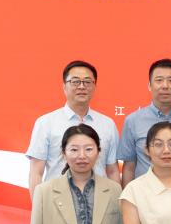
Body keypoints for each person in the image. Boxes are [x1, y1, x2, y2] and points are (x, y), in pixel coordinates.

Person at [26, 60, 120, 197]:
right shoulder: (45, 123)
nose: (82, 86)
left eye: (87, 82)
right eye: (75, 81)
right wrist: (38, 207)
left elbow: (112, 171)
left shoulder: (108, 124)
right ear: (64, 86)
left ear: (94, 86)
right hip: (57, 200)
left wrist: (117, 204)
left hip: (100, 201)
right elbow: (36, 172)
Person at [119, 58, 171, 184]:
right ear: (149, 85)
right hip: (144, 192)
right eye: (159, 80)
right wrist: (127, 194)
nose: (165, 86)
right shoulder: (133, 121)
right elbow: (129, 167)